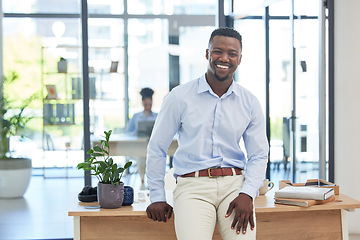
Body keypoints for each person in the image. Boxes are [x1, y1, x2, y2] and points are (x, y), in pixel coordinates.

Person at [145, 27, 269, 240]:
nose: (224, 58)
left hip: (234, 187)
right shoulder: (179, 97)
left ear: (239, 59)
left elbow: (258, 154)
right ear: (207, 54)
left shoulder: (249, 102)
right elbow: (157, 147)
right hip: (192, 187)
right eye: (217, 51)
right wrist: (156, 196)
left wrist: (248, 193)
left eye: (232, 54)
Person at [126, 87, 157, 189]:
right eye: (146, 104)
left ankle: (152, 182)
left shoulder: (157, 116)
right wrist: (137, 132)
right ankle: (143, 182)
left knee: (151, 157)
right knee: (142, 156)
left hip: (153, 147)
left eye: (150, 104)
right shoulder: (136, 116)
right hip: (139, 147)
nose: (148, 107)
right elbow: (128, 132)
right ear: (142, 103)